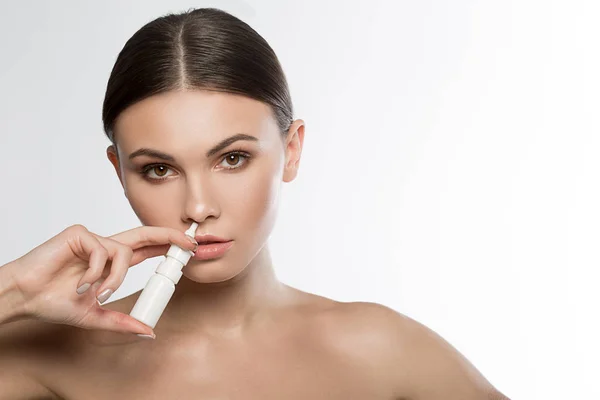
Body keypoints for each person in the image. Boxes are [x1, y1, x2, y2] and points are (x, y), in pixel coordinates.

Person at [0, 7, 510, 400]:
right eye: (159, 169)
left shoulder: (383, 348)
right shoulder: (51, 358)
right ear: (120, 172)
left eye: (232, 159)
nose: (197, 206)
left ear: (291, 151)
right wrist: (16, 291)